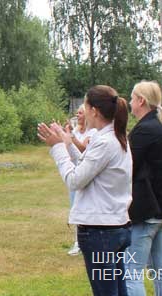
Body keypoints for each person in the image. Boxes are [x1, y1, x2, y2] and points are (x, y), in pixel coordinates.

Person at [38, 85, 132, 295]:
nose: (82, 111)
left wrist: (57, 148)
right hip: (115, 228)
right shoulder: (113, 138)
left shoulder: (105, 142)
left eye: (85, 106)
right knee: (116, 289)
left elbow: (74, 180)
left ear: (94, 111)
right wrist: (67, 142)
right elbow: (88, 165)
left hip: (101, 233)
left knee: (106, 291)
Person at [125, 81, 162, 296]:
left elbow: (129, 166)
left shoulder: (145, 130)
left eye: (131, 98)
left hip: (148, 209)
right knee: (159, 271)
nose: (129, 103)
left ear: (141, 101)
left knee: (132, 272)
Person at [65, 104, 96, 256]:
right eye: (77, 113)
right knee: (74, 207)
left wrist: (71, 138)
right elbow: (70, 150)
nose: (78, 115)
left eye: (81, 113)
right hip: (75, 171)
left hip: (87, 173)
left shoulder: (92, 132)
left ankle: (87, 241)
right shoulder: (76, 130)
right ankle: (78, 242)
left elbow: (83, 149)